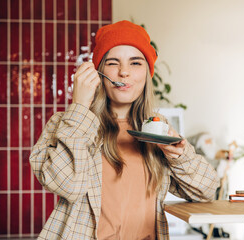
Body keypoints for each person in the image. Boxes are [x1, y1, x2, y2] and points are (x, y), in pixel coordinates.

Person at [29, 20, 220, 240]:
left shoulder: (157, 129)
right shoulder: (67, 123)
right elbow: (67, 186)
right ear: (99, 72)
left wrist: (180, 157)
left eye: (135, 63)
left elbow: (206, 191)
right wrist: (80, 108)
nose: (123, 73)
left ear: (147, 74)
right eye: (113, 62)